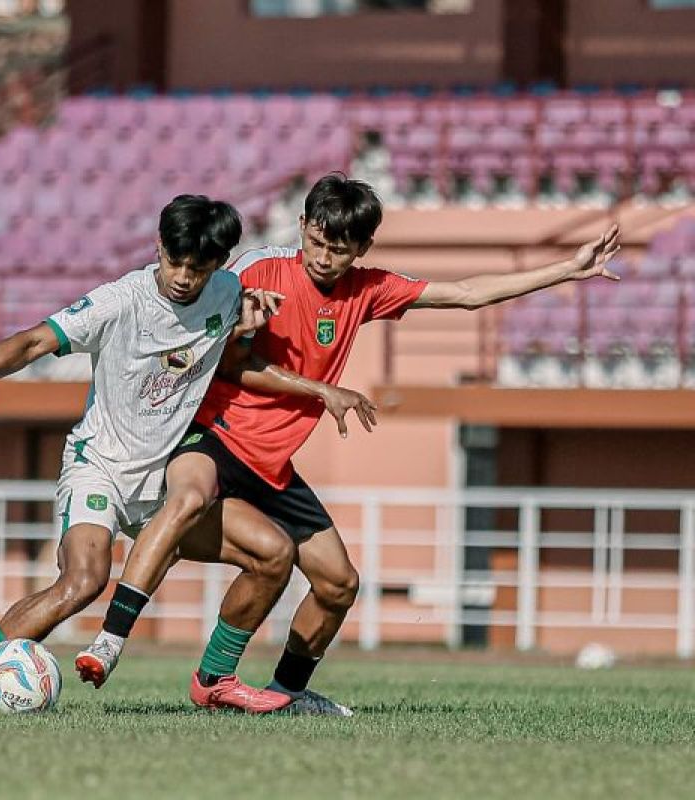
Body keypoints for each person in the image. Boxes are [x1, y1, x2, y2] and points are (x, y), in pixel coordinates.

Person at [76, 173, 623, 715]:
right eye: (315, 242)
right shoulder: (258, 271)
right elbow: (203, 331)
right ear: (302, 227)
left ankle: (288, 691)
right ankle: (114, 640)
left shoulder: (367, 289)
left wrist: (567, 271)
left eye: (338, 250)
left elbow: (465, 295)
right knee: (189, 499)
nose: (323, 258)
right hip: (215, 435)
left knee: (339, 583)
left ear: (362, 249)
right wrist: (257, 343)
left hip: (273, 464)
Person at [0, 194, 364, 714]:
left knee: (273, 554)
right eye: (173, 261)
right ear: (158, 246)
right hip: (102, 469)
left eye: (197, 267)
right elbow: (34, 341)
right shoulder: (120, 301)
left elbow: (254, 332)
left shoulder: (227, 292)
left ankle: (214, 680)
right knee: (82, 582)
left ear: (219, 264)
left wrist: (253, 322)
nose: (182, 276)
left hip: (164, 479)